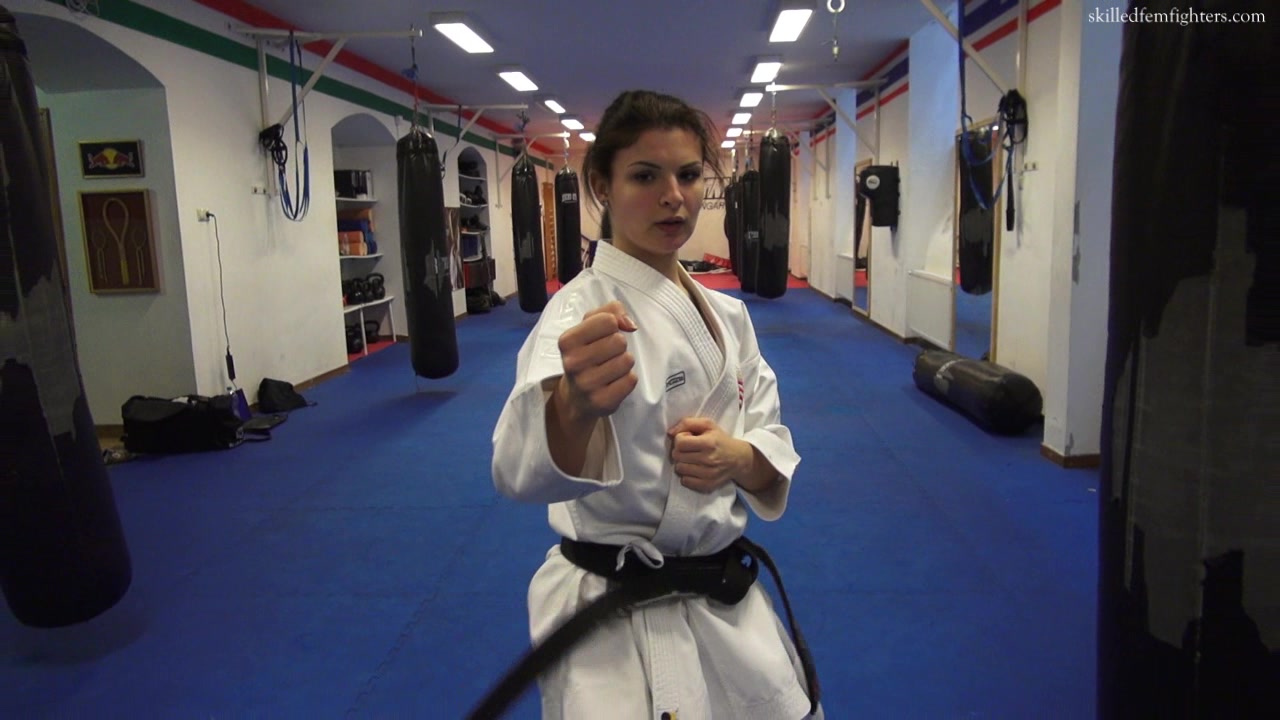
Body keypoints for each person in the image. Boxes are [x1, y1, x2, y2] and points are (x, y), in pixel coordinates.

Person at [491, 89, 820, 719]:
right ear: (602, 187)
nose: (674, 196)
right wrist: (574, 407)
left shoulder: (730, 315)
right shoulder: (578, 315)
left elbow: (770, 437)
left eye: (689, 175)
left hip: (721, 595)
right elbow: (515, 471)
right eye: (645, 176)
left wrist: (738, 457)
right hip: (610, 612)